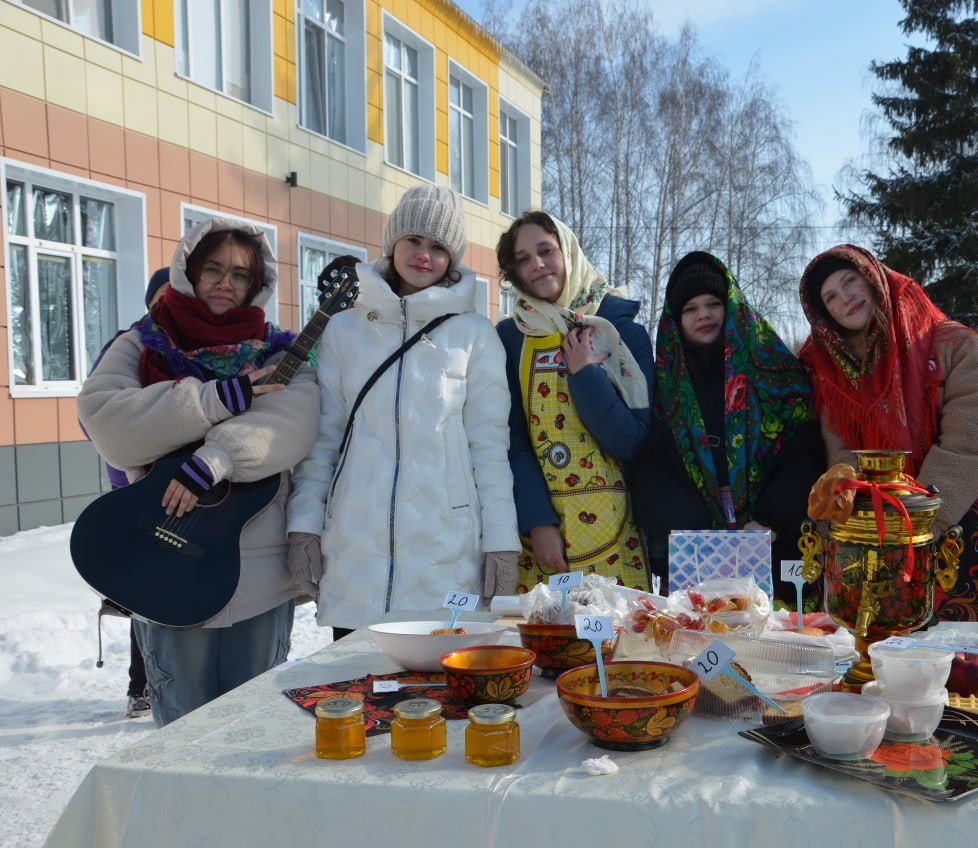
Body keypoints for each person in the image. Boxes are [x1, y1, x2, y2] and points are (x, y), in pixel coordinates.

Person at [77, 219, 319, 727]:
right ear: (188, 269)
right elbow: (108, 424)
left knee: (253, 727)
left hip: (257, 571)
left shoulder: (280, 353)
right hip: (162, 564)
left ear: (257, 286)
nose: (225, 283)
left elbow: (290, 425)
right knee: (181, 728)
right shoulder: (141, 343)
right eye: (212, 268)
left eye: (240, 274)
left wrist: (213, 458)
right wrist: (214, 399)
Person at [287, 184, 520, 639]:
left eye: (438, 246)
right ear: (392, 242)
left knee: (436, 702)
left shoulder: (474, 335)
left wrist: (502, 545)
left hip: (445, 551)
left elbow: (490, 449)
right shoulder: (344, 331)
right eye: (414, 240)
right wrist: (304, 527)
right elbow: (324, 440)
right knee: (357, 697)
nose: (423, 255)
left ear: (452, 258)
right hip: (357, 547)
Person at [629, 251, 825, 601]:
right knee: (703, 639)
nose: (703, 314)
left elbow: (804, 452)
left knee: (777, 640)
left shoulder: (774, 370)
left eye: (712, 303)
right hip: (699, 557)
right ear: (676, 320)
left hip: (773, 543)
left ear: (730, 304)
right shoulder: (663, 388)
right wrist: (698, 530)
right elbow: (650, 471)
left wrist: (771, 520)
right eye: (690, 309)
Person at [797, 244, 978, 538]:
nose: (845, 298)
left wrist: (916, 523)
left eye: (849, 281)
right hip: (870, 532)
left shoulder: (954, 346)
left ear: (872, 278)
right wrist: (865, 521)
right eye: (830, 297)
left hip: (955, 526)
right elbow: (841, 453)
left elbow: (971, 442)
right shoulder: (831, 379)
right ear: (825, 314)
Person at [495, 211, 654, 591]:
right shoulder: (510, 337)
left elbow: (631, 441)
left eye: (546, 250)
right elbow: (511, 439)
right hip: (541, 537)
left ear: (568, 252)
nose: (536, 264)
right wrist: (538, 520)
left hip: (615, 535)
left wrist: (586, 375)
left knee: (617, 646)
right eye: (523, 258)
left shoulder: (621, 331)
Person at [88, 267, 170, 719]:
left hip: (187, 486)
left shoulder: (186, 348)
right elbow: (95, 413)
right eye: (159, 293)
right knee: (144, 594)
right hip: (134, 485)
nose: (165, 300)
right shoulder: (129, 343)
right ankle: (140, 686)